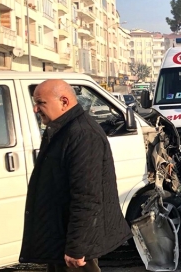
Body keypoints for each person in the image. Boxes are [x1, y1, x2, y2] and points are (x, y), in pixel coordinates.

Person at [20, 80, 131, 271]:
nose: (35, 109)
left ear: (64, 101)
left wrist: (76, 247)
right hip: (61, 236)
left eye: (41, 103)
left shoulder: (82, 134)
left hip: (75, 244)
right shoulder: (60, 129)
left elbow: (87, 198)